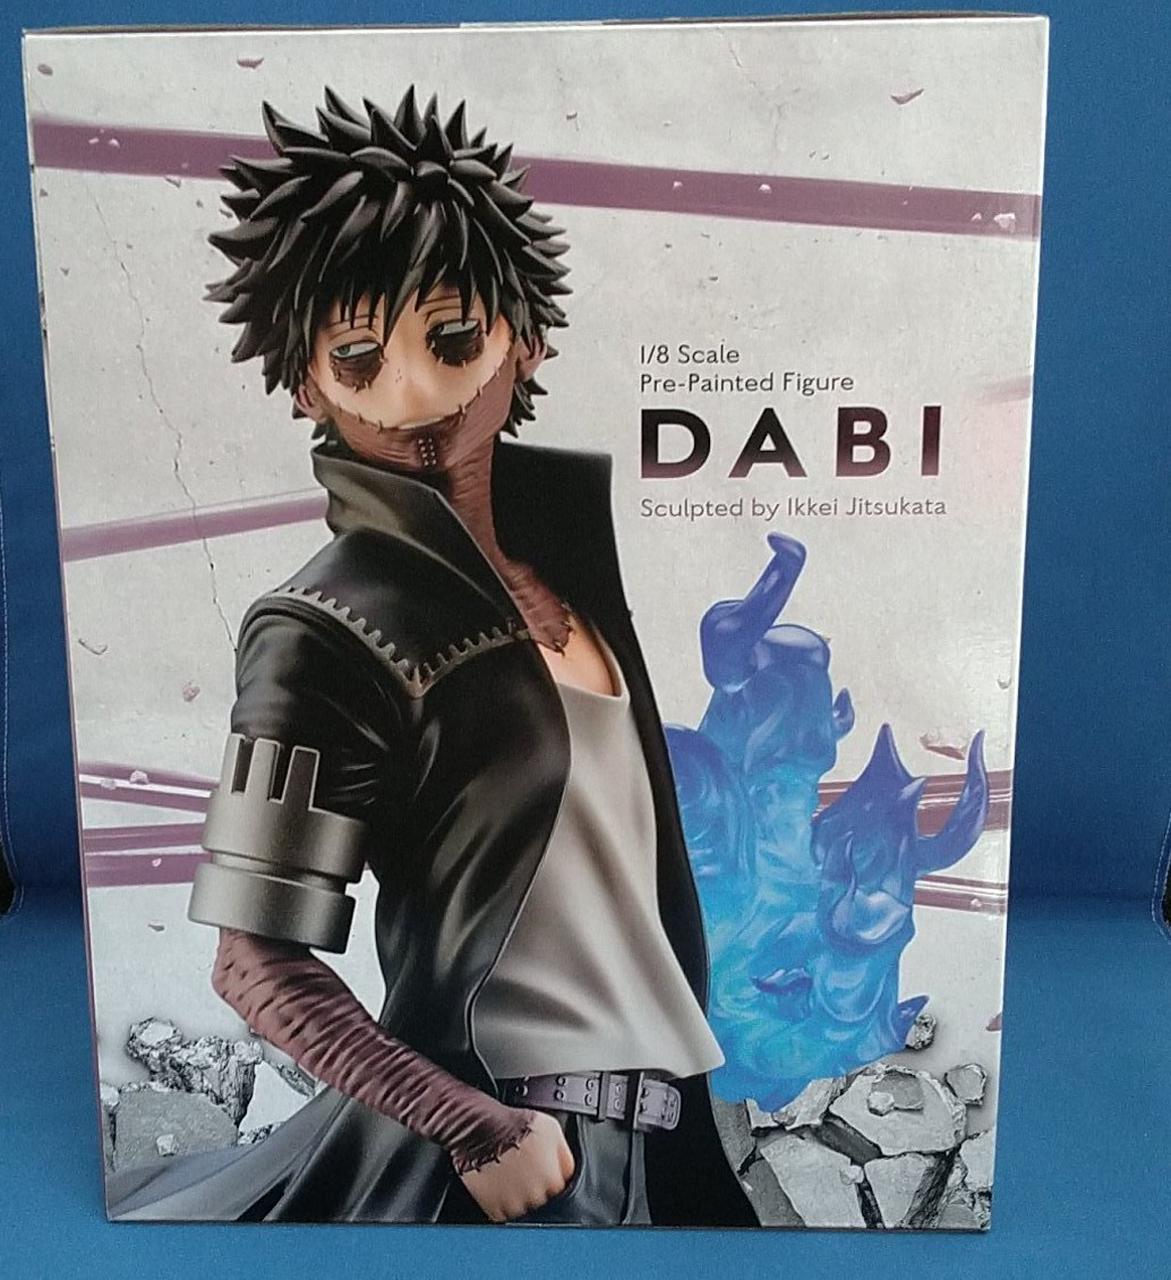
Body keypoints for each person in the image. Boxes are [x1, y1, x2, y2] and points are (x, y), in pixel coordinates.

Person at [109, 86, 755, 1227]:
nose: (414, 393)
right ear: (307, 382)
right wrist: (466, 1122)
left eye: (452, 339)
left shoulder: (575, 572)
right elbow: (253, 961)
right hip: (507, 1153)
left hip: (665, 1150)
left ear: (525, 337)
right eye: (359, 356)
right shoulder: (322, 627)